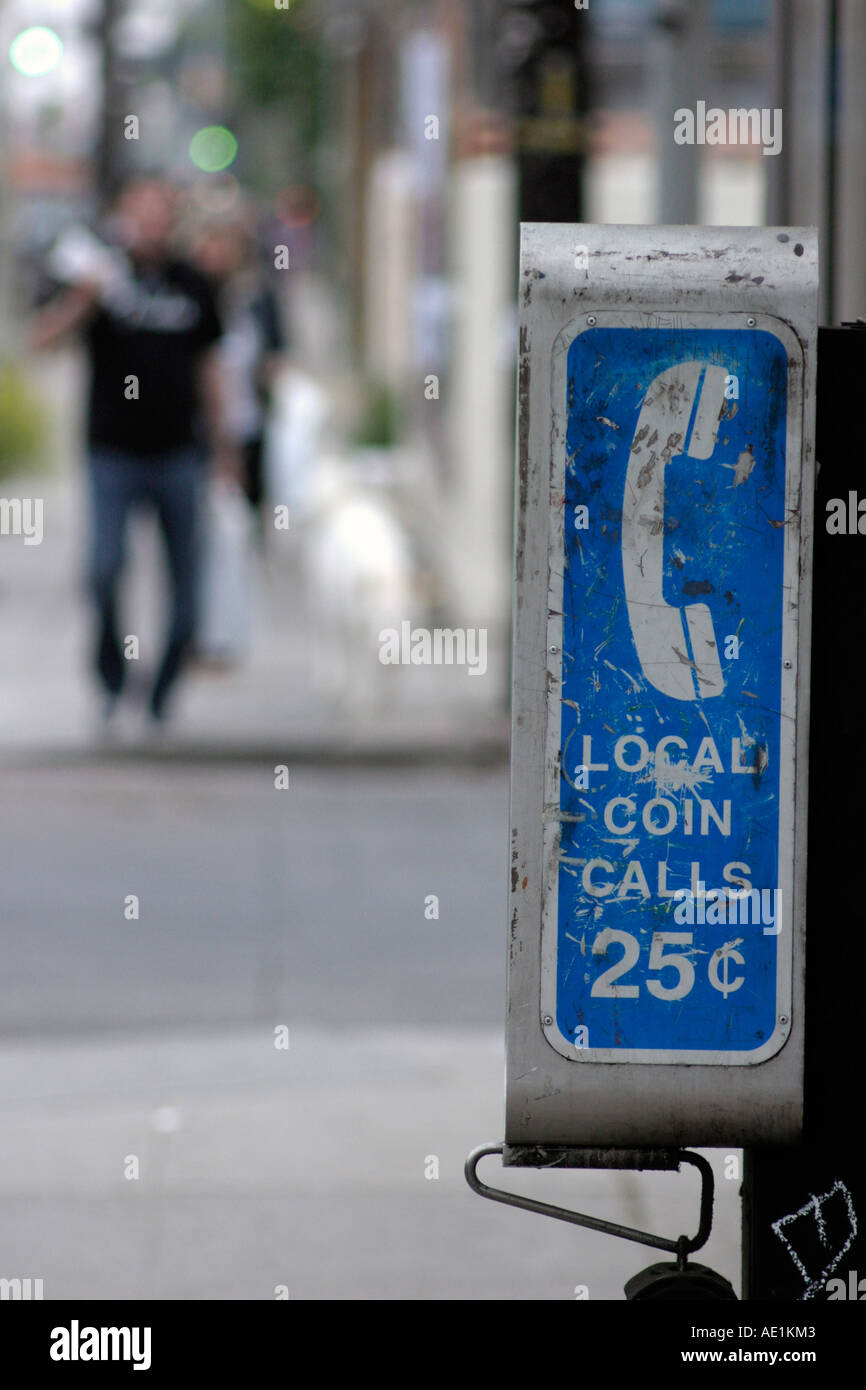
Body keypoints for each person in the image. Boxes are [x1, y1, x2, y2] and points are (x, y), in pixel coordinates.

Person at [29, 176, 238, 725]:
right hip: (112, 452)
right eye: (138, 212)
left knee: (187, 582)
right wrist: (84, 299)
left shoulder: (194, 283)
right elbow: (40, 342)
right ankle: (111, 676)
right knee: (102, 570)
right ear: (124, 216)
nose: (149, 224)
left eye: (158, 213)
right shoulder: (98, 275)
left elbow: (212, 367)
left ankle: (164, 688)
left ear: (170, 219)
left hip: (178, 452)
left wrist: (226, 448)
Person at [192, 218, 287, 533]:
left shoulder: (257, 299)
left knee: (251, 506)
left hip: (249, 417)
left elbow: (277, 352)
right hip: (205, 428)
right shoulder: (195, 301)